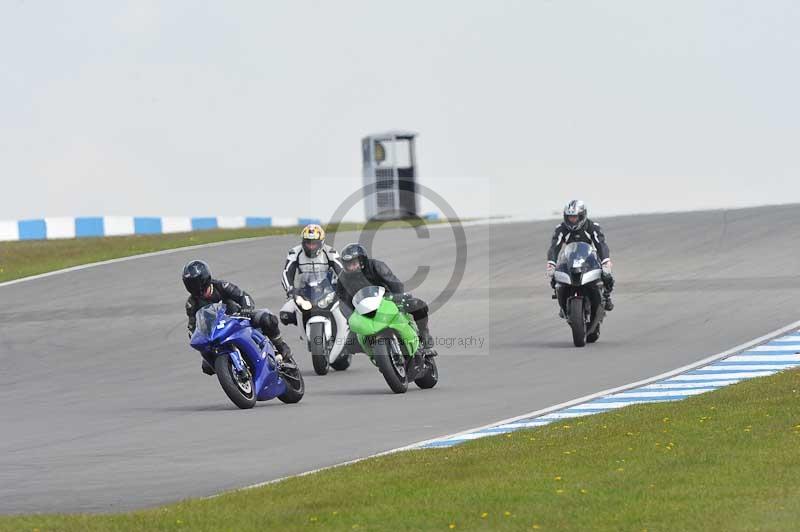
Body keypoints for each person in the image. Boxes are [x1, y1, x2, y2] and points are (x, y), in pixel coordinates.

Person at [183, 260, 292, 375]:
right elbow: (192, 328)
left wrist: (245, 310)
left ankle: (281, 347)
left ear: (205, 279)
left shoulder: (221, 286)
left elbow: (243, 296)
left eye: (198, 285)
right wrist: (197, 337)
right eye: (192, 286)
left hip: (238, 320)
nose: (197, 289)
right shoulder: (191, 304)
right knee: (206, 366)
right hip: (216, 334)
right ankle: (230, 374)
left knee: (267, 319)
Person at [335, 243, 437, 357]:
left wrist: (400, 298)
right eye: (348, 265)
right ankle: (376, 353)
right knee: (350, 344)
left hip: (387, 299)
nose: (351, 268)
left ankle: (424, 336)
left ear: (362, 261)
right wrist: (351, 317)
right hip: (363, 310)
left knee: (418, 305)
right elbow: (342, 300)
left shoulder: (376, 266)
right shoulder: (343, 278)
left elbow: (394, 284)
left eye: (354, 264)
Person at [546, 200, 615, 311]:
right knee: (554, 276)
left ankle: (606, 296)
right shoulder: (561, 229)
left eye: (575, 217)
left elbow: (601, 244)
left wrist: (605, 261)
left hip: (589, 257)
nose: (572, 220)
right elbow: (555, 246)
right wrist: (551, 263)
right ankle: (562, 298)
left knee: (607, 274)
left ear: (582, 216)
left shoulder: (593, 227)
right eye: (569, 217)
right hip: (570, 257)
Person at [281, 224, 343, 298]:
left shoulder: (331, 252)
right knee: (286, 309)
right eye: (308, 243)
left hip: (328, 294)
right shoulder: (294, 252)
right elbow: (287, 273)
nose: (311, 247)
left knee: (344, 308)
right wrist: (290, 289)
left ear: (321, 242)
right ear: (303, 242)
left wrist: (343, 288)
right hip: (302, 294)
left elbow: (342, 271)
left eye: (314, 243)